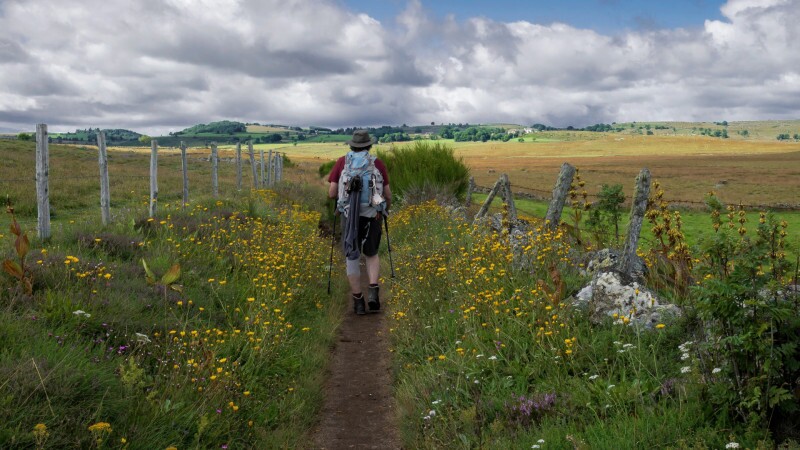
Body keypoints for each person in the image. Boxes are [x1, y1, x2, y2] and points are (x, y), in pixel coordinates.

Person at [328, 130, 392, 315]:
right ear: (369, 146)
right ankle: (373, 293)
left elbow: (332, 193)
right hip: (373, 214)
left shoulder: (342, 162)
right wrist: (384, 210)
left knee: (352, 255)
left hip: (349, 216)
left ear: (352, 145)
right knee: (372, 253)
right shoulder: (377, 163)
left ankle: (358, 302)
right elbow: (387, 194)